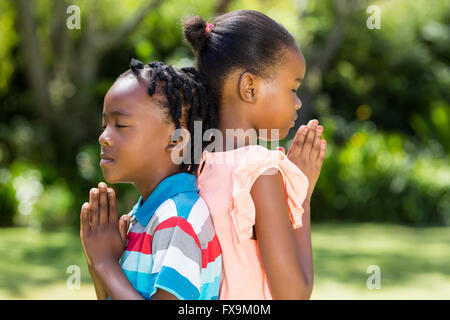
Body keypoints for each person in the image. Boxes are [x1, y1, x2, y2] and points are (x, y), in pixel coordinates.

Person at [183, 10, 327, 299]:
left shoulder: (194, 163)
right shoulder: (259, 171)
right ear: (250, 87)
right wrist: (302, 198)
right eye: (293, 88)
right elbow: (294, 295)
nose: (298, 103)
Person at [79, 59, 222, 300]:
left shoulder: (178, 220)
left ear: (176, 141)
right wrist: (97, 261)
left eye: (121, 125)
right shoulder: (146, 215)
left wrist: (105, 263)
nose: (104, 137)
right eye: (104, 125)